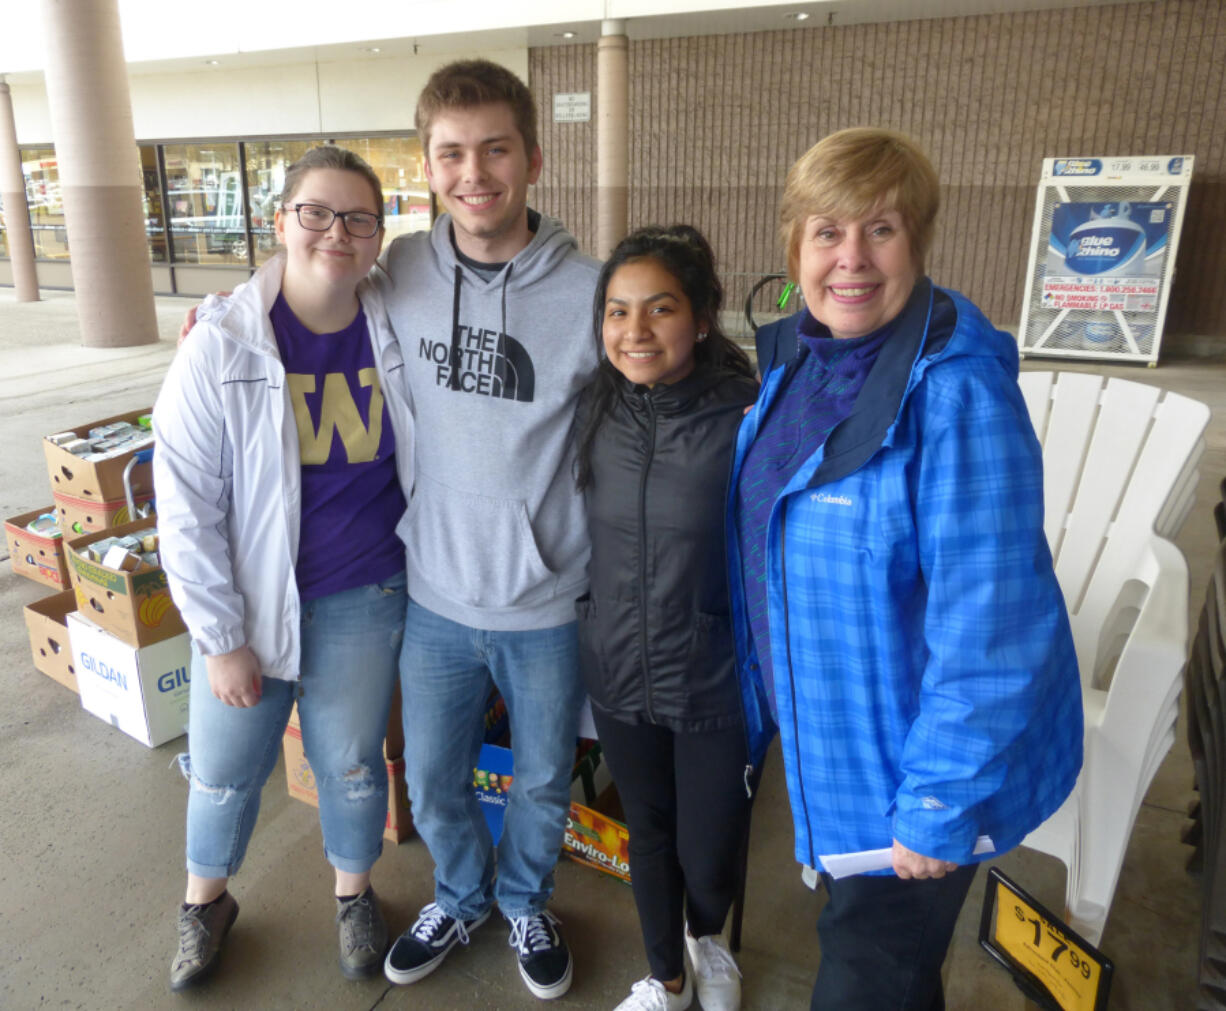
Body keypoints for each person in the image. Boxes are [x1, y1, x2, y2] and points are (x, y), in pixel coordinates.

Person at [729, 127, 1083, 1010]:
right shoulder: (798, 363)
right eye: (826, 231)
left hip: (907, 780)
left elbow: (994, 629)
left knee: (868, 976)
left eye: (880, 230)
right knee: (884, 970)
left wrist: (939, 803)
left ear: (919, 243)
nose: (851, 258)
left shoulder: (956, 395)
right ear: (793, 249)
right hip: (837, 745)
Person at [153, 145, 412, 990]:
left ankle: (353, 894)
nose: (336, 231)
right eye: (317, 213)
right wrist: (220, 635)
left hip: (365, 591)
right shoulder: (221, 342)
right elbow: (184, 504)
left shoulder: (396, 322)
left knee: (350, 762)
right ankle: (205, 903)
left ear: (378, 235)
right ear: (280, 222)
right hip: (251, 604)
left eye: (358, 218)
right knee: (226, 770)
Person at [376, 60, 600, 1000]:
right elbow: (303, 287)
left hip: (546, 597)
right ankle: (462, 894)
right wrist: (221, 317)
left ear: (533, 158)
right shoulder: (397, 268)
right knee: (432, 781)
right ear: (428, 166)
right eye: (453, 153)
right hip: (433, 591)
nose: (476, 172)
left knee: (545, 781)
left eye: (495, 148)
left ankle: (525, 898)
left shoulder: (591, 290)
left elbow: (672, 372)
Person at [573, 225, 766, 1011]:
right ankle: (668, 975)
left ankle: (708, 937)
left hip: (715, 670)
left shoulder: (749, 411)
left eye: (659, 309)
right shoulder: (594, 403)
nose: (635, 331)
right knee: (647, 835)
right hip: (617, 662)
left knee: (709, 845)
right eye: (617, 312)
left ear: (702, 315)